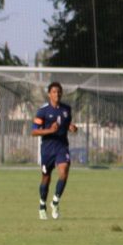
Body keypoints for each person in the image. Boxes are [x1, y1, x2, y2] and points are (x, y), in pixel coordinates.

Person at [31, 81, 77, 220]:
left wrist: (72, 128)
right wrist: (50, 130)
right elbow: (34, 132)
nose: (57, 94)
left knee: (64, 171)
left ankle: (55, 202)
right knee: (46, 178)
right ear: (49, 94)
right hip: (47, 149)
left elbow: (66, 123)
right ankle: (42, 204)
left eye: (59, 91)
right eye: (54, 92)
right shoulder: (42, 111)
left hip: (62, 146)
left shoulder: (66, 109)